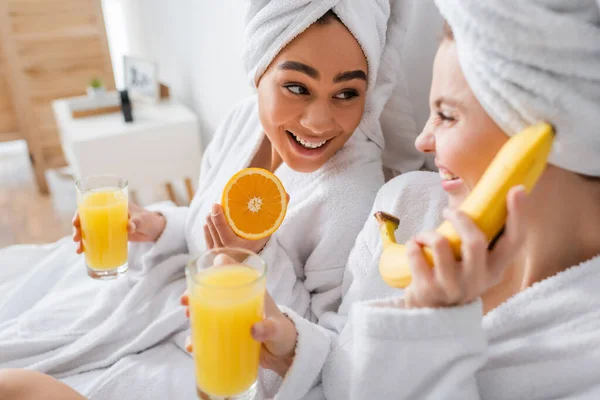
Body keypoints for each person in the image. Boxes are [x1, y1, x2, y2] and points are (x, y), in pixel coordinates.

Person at [0, 1, 407, 398]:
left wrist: (249, 261)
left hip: (223, 358)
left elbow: (322, 347)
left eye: (347, 93)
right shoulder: (243, 121)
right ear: (260, 68)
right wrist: (156, 226)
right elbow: (202, 221)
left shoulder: (354, 194)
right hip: (166, 299)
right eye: (297, 87)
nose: (318, 121)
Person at [237, 1, 600, 399]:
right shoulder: (404, 205)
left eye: (446, 115)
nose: (422, 142)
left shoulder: (585, 345)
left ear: (539, 135)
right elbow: (343, 362)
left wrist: (435, 326)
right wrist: (296, 350)